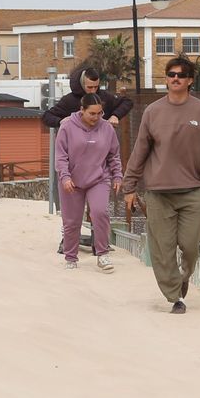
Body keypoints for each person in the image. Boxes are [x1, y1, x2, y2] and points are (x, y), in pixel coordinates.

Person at [122, 55, 200, 314]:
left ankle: (184, 276)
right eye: (171, 74)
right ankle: (175, 295)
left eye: (180, 75)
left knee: (189, 245)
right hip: (159, 193)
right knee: (163, 250)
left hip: (195, 191)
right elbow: (139, 151)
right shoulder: (153, 112)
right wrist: (129, 187)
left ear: (189, 80)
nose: (175, 78)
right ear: (166, 78)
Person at [55, 94, 122, 272]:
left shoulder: (107, 128)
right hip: (72, 181)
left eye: (100, 113)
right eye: (92, 113)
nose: (96, 117)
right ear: (82, 110)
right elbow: (60, 156)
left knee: (100, 212)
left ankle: (102, 254)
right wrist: (65, 176)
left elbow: (114, 155)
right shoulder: (67, 127)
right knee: (71, 221)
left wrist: (117, 176)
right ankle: (71, 257)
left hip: (98, 178)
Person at [41, 65, 133, 131]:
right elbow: (47, 116)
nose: (93, 91)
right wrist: (60, 121)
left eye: (96, 87)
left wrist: (115, 116)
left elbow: (127, 102)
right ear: (81, 84)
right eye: (89, 87)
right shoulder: (69, 101)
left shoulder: (104, 97)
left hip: (101, 146)